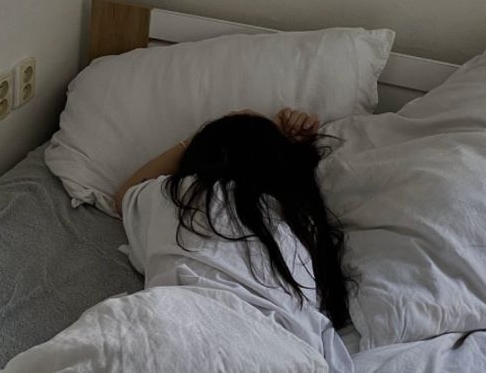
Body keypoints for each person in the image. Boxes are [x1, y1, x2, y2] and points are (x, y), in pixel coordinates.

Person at [114, 107, 354, 371]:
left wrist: (193, 140)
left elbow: (124, 193)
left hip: (181, 331)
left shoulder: (178, 195)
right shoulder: (299, 220)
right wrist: (285, 143)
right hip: (283, 351)